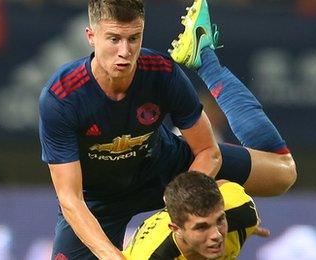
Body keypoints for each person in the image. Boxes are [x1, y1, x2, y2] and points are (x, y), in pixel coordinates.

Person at [38, 0, 296, 259]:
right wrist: (112, 257)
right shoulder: (61, 98)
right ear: (91, 37)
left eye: (134, 38)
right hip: (99, 201)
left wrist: (184, 207)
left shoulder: (161, 72)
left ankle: (204, 58)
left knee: (282, 175)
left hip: (167, 169)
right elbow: (70, 199)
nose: (125, 52)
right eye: (114, 39)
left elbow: (208, 151)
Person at [123, 171, 270, 259]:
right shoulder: (151, 257)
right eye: (201, 227)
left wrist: (249, 226)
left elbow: (224, 185)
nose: (217, 235)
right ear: (176, 229)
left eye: (220, 220)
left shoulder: (243, 212)